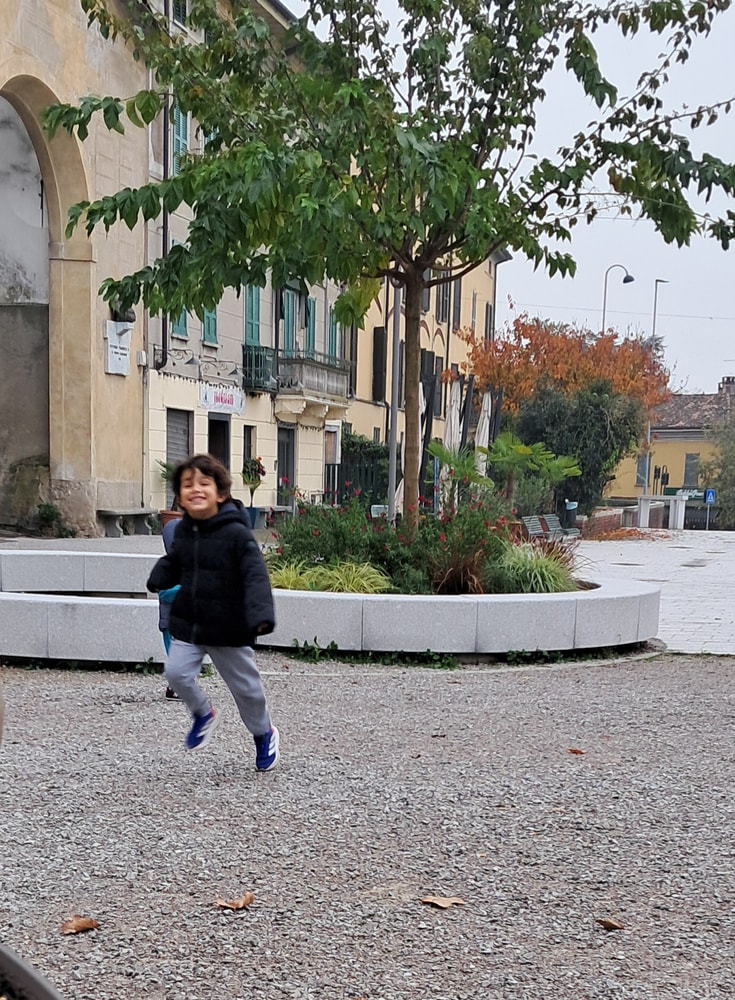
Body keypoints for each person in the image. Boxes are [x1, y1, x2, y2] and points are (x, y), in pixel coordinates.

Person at [147, 453, 279, 771]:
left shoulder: (236, 533)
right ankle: (203, 713)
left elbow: (255, 575)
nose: (195, 489)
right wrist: (160, 575)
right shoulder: (184, 531)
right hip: (191, 623)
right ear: (180, 498)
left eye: (204, 483)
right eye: (187, 485)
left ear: (220, 494)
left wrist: (261, 614)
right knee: (176, 672)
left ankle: (264, 733)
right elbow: (176, 561)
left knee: (247, 691)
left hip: (228, 628)